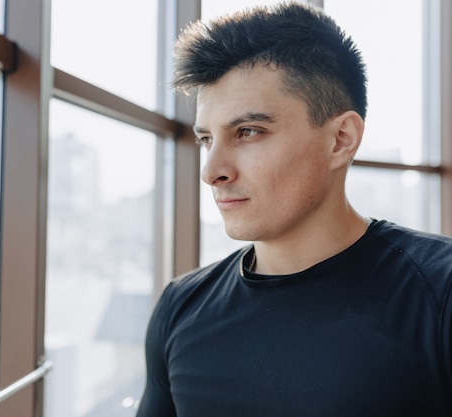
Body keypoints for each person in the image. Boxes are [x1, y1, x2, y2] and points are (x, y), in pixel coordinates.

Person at [136, 2, 452, 416]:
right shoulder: (181, 307)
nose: (212, 171)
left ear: (341, 139)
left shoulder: (440, 290)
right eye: (206, 139)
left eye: (248, 132)